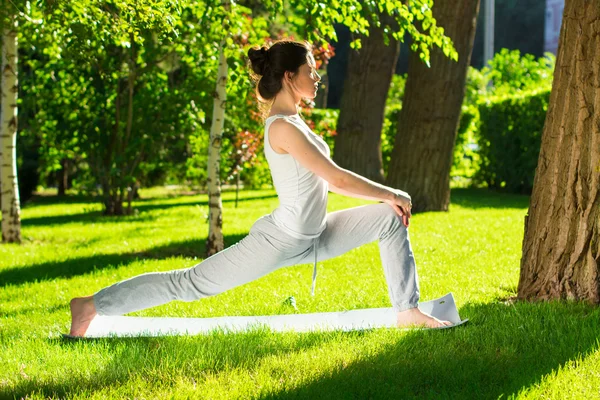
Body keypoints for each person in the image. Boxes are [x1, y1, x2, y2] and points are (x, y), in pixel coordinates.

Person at [68, 39, 451, 337]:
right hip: (281, 240)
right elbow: (335, 178)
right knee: (190, 283)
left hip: (316, 235)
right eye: (311, 70)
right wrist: (391, 192)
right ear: (289, 76)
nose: (316, 78)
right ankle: (89, 305)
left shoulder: (296, 121)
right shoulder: (282, 126)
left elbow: (326, 182)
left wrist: (388, 201)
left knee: (388, 218)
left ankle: (407, 311)